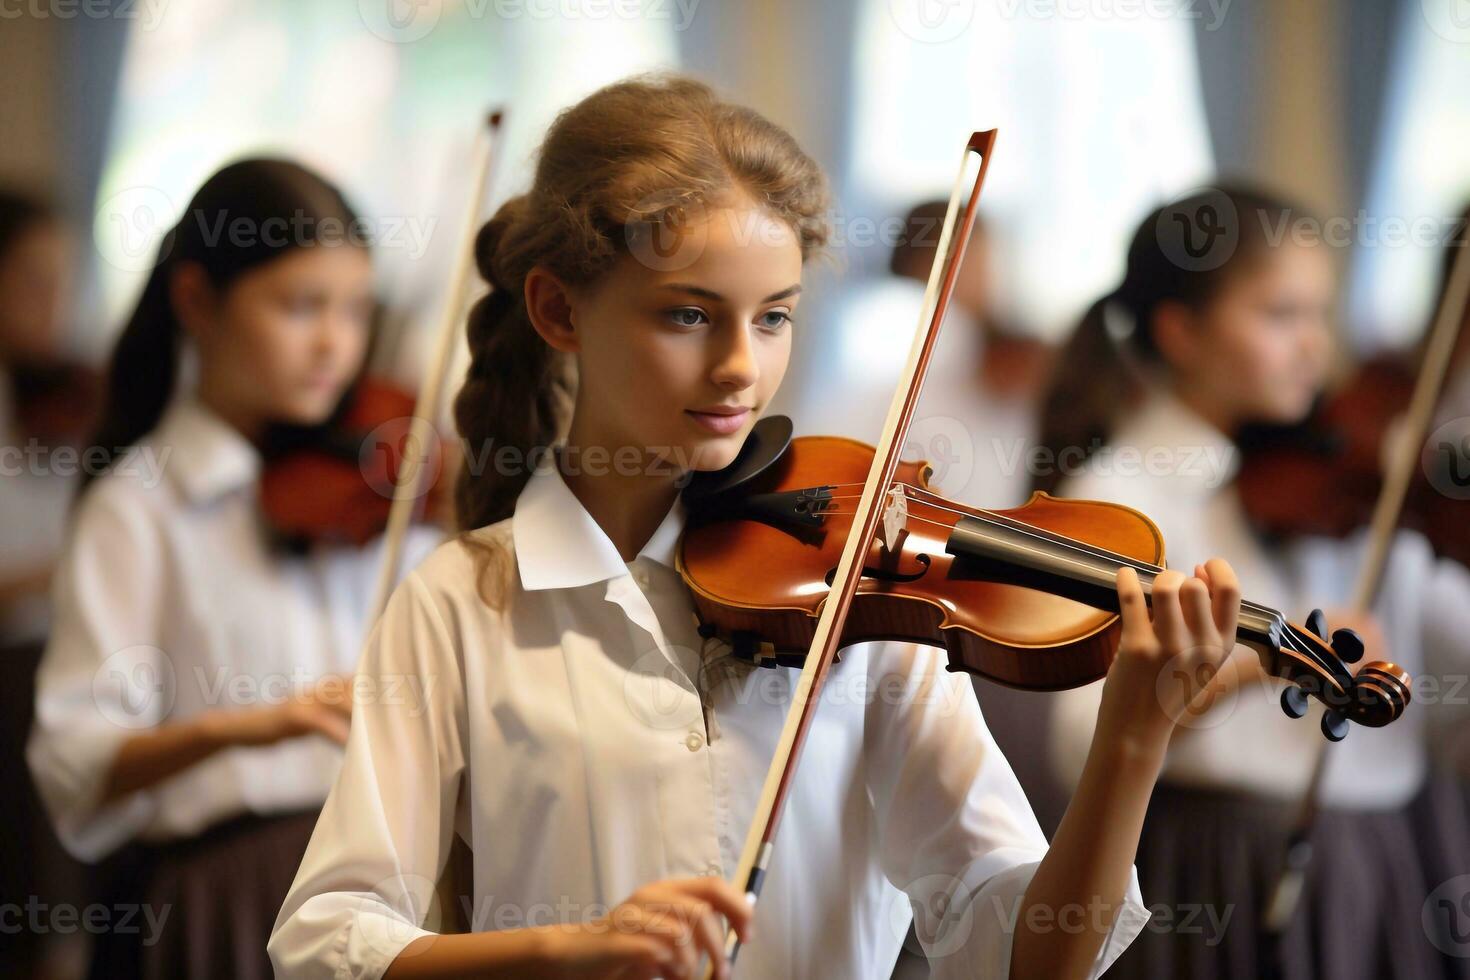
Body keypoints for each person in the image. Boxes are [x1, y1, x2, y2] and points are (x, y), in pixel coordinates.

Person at [269, 73, 1245, 980]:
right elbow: (325, 937)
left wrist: (1132, 739)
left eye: (773, 317)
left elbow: (1028, 953)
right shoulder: (459, 602)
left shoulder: (859, 596)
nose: (742, 365)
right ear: (559, 309)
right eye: (689, 316)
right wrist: (570, 949)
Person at [1042, 186, 1470, 980]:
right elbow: (1080, 742)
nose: (1317, 347)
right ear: (1182, 332)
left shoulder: (1353, 483)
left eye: (1322, 314)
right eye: (1281, 316)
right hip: (1215, 870)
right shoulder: (1121, 501)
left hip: (1388, 864)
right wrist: (1263, 659)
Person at [27, 159, 440, 980]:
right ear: (196, 303)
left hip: (377, 893)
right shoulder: (140, 505)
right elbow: (76, 759)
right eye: (300, 307)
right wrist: (250, 724)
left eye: (355, 311)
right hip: (220, 900)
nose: (336, 345)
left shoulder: (366, 482)